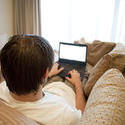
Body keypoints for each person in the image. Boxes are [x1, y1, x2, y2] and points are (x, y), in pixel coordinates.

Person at [0, 34, 86, 125]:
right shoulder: (66, 116)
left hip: (47, 86)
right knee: (80, 72)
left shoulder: (1, 91)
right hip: (70, 90)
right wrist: (78, 84)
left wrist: (47, 75)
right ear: (45, 73)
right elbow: (84, 117)